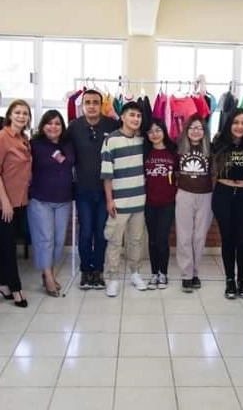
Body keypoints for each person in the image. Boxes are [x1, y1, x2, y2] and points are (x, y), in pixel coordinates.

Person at [68, 89, 118, 290]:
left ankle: (98, 270)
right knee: (86, 231)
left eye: (95, 102)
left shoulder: (112, 125)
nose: (91, 106)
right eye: (87, 102)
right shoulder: (74, 127)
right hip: (83, 190)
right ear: (82, 105)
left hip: (106, 190)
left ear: (101, 105)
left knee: (101, 232)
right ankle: (85, 270)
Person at [212, 108, 243, 299]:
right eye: (236, 122)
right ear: (229, 124)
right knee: (228, 240)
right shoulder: (219, 142)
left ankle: (242, 280)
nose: (240, 126)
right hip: (223, 195)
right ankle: (230, 280)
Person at [101, 101, 147, 297]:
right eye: (132, 115)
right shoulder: (111, 140)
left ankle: (135, 273)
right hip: (119, 202)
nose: (135, 119)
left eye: (138, 116)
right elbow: (107, 174)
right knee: (114, 241)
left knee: (136, 241)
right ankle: (113, 279)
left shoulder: (142, 140)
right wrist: (109, 200)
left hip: (139, 201)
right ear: (122, 117)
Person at [28, 110, 75, 297]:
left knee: (58, 241)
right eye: (49, 123)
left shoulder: (68, 145)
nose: (53, 127)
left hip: (64, 200)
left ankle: (49, 272)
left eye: (57, 123)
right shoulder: (33, 145)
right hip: (40, 200)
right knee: (45, 239)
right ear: (43, 126)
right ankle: (48, 277)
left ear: (62, 127)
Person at [175, 113, 213, 293]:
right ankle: (186, 274)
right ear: (187, 130)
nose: (196, 131)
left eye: (200, 128)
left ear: (204, 131)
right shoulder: (178, 148)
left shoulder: (211, 149)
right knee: (184, 236)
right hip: (184, 194)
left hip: (205, 196)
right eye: (192, 127)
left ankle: (195, 272)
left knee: (199, 237)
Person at [0, 99, 32, 307]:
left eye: (25, 113)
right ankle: (16, 288)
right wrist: (5, 202)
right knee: (8, 248)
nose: (21, 116)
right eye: (17, 112)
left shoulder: (24, 139)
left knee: (7, 244)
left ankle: (3, 285)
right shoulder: (3, 137)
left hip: (20, 200)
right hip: (5, 203)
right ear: (10, 115)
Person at [144, 118, 178, 290]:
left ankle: (163, 273)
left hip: (168, 203)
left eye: (158, 130)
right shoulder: (145, 153)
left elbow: (179, 176)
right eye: (151, 131)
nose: (154, 134)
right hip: (149, 203)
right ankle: (154, 274)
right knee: (152, 240)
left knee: (162, 239)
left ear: (164, 131)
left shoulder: (173, 152)